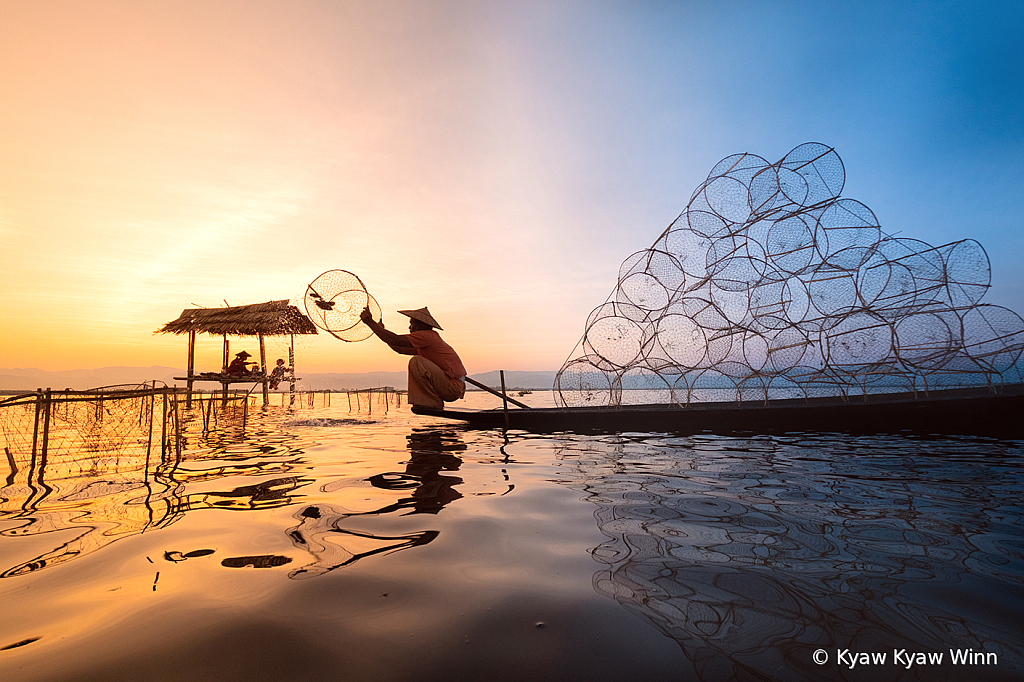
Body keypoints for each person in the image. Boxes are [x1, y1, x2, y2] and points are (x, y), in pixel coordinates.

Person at [360, 305, 466, 409]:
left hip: (453, 387)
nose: (409, 327)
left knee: (416, 362)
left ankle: (432, 402)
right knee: (417, 361)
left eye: (411, 324)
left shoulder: (427, 336)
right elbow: (399, 348)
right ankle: (430, 401)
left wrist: (370, 323)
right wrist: (379, 330)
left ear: (420, 325)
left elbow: (395, 339)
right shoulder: (425, 342)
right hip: (451, 386)